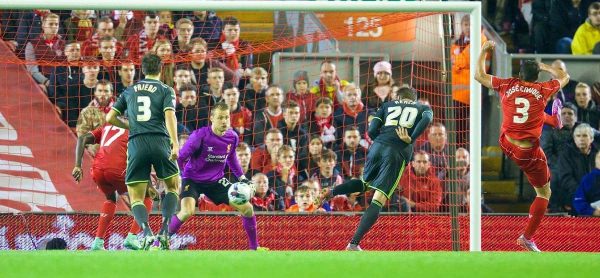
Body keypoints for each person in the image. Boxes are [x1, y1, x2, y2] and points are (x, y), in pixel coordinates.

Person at [474, 40, 570, 251]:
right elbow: (565, 77)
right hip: (527, 152)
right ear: (538, 76)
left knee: (519, 114)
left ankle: (552, 120)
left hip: (506, 142)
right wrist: (546, 67)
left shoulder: (507, 84)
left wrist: (483, 51)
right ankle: (527, 237)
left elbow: (478, 76)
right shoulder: (544, 88)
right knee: (544, 193)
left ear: (519, 74)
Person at [323, 86, 433, 251]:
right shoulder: (422, 107)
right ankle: (353, 243)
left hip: (377, 147)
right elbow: (427, 119)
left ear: (397, 97)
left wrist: (380, 140)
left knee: (364, 183)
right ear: (414, 99)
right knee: (379, 199)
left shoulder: (386, 106)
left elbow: (372, 130)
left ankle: (332, 192)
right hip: (397, 151)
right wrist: (411, 138)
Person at [167, 102, 267, 251]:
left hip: (216, 181)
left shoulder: (232, 137)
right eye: (220, 117)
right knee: (187, 211)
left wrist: (243, 178)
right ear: (212, 118)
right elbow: (181, 157)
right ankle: (162, 240)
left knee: (247, 208)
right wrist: (182, 176)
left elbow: (231, 158)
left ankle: (254, 248)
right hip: (193, 179)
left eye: (226, 117)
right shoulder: (199, 136)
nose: (224, 121)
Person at [106, 53, 181, 250]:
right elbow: (169, 116)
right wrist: (175, 142)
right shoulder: (166, 89)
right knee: (172, 187)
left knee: (136, 197)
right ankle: (164, 231)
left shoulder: (129, 91)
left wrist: (132, 125)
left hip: (137, 143)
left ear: (142, 70)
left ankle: (146, 233)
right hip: (160, 141)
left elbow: (110, 118)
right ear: (161, 69)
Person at [72, 107, 154, 250]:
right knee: (146, 196)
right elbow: (141, 158)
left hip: (98, 170)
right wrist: (150, 186)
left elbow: (82, 138)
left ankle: (98, 242)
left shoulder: (108, 126)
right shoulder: (137, 130)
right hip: (117, 170)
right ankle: (132, 237)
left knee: (111, 197)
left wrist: (78, 166)